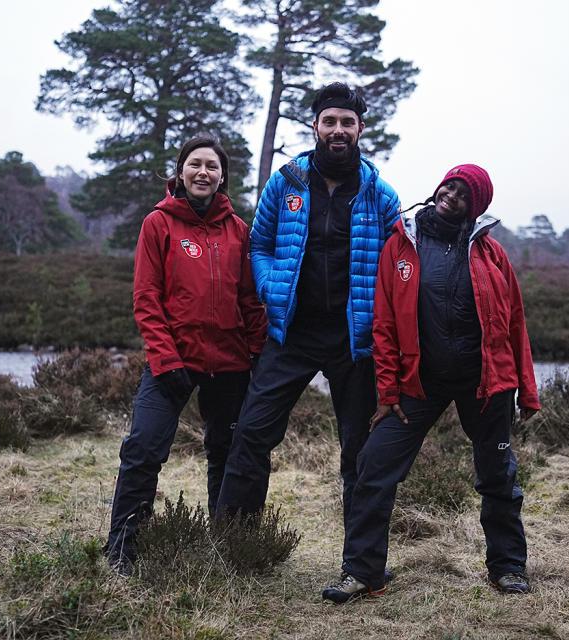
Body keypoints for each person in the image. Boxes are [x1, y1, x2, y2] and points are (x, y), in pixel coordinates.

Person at [322, 164, 540, 603]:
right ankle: (364, 572)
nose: (452, 195)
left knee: (498, 476)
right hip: (420, 384)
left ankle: (508, 567)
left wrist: (525, 388)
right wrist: (387, 392)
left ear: (475, 207)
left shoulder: (491, 254)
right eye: (450, 185)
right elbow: (383, 324)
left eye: (464, 193)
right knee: (374, 465)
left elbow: (515, 321)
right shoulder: (401, 246)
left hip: (485, 382)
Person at [215, 82, 400, 535]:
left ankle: (360, 560)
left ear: (361, 129)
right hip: (291, 332)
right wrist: (269, 283)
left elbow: (399, 264)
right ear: (315, 126)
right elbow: (259, 244)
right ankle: (236, 544)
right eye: (330, 121)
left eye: (347, 123)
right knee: (252, 434)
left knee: (359, 448)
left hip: (354, 338)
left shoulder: (381, 194)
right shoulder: (287, 182)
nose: (338, 130)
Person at [105, 135, 267, 575]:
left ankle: (228, 546)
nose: (203, 172)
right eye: (194, 164)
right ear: (179, 172)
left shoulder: (239, 230)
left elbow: (250, 301)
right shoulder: (158, 223)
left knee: (228, 453)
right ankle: (123, 548)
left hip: (231, 363)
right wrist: (166, 358)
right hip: (171, 361)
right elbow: (146, 298)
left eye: (212, 166)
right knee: (143, 448)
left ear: (222, 177)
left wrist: (257, 356)